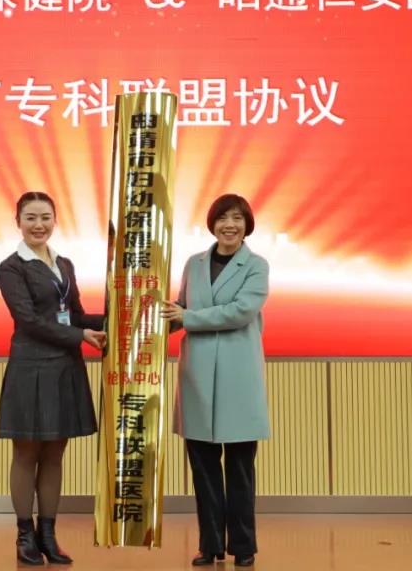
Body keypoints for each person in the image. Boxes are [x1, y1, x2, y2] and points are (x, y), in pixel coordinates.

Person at [0, 191, 107, 566]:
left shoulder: (64, 264)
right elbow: (28, 321)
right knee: (26, 453)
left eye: (45, 217)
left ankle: (48, 535)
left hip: (64, 366)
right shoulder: (12, 267)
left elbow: (74, 314)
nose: (38, 225)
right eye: (30, 217)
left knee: (55, 454)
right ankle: (24, 536)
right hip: (31, 367)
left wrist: (119, 318)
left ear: (55, 220)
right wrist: (80, 335)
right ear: (18, 222)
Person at [161, 193, 270, 568]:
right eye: (223, 218)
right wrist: (150, 324)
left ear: (247, 224)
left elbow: (241, 312)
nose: (229, 225)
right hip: (196, 377)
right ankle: (209, 545)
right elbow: (179, 309)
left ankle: (243, 545)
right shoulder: (194, 263)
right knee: (203, 469)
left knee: (240, 470)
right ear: (212, 223)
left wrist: (187, 317)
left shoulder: (256, 265)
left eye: (237, 218)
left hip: (239, 379)